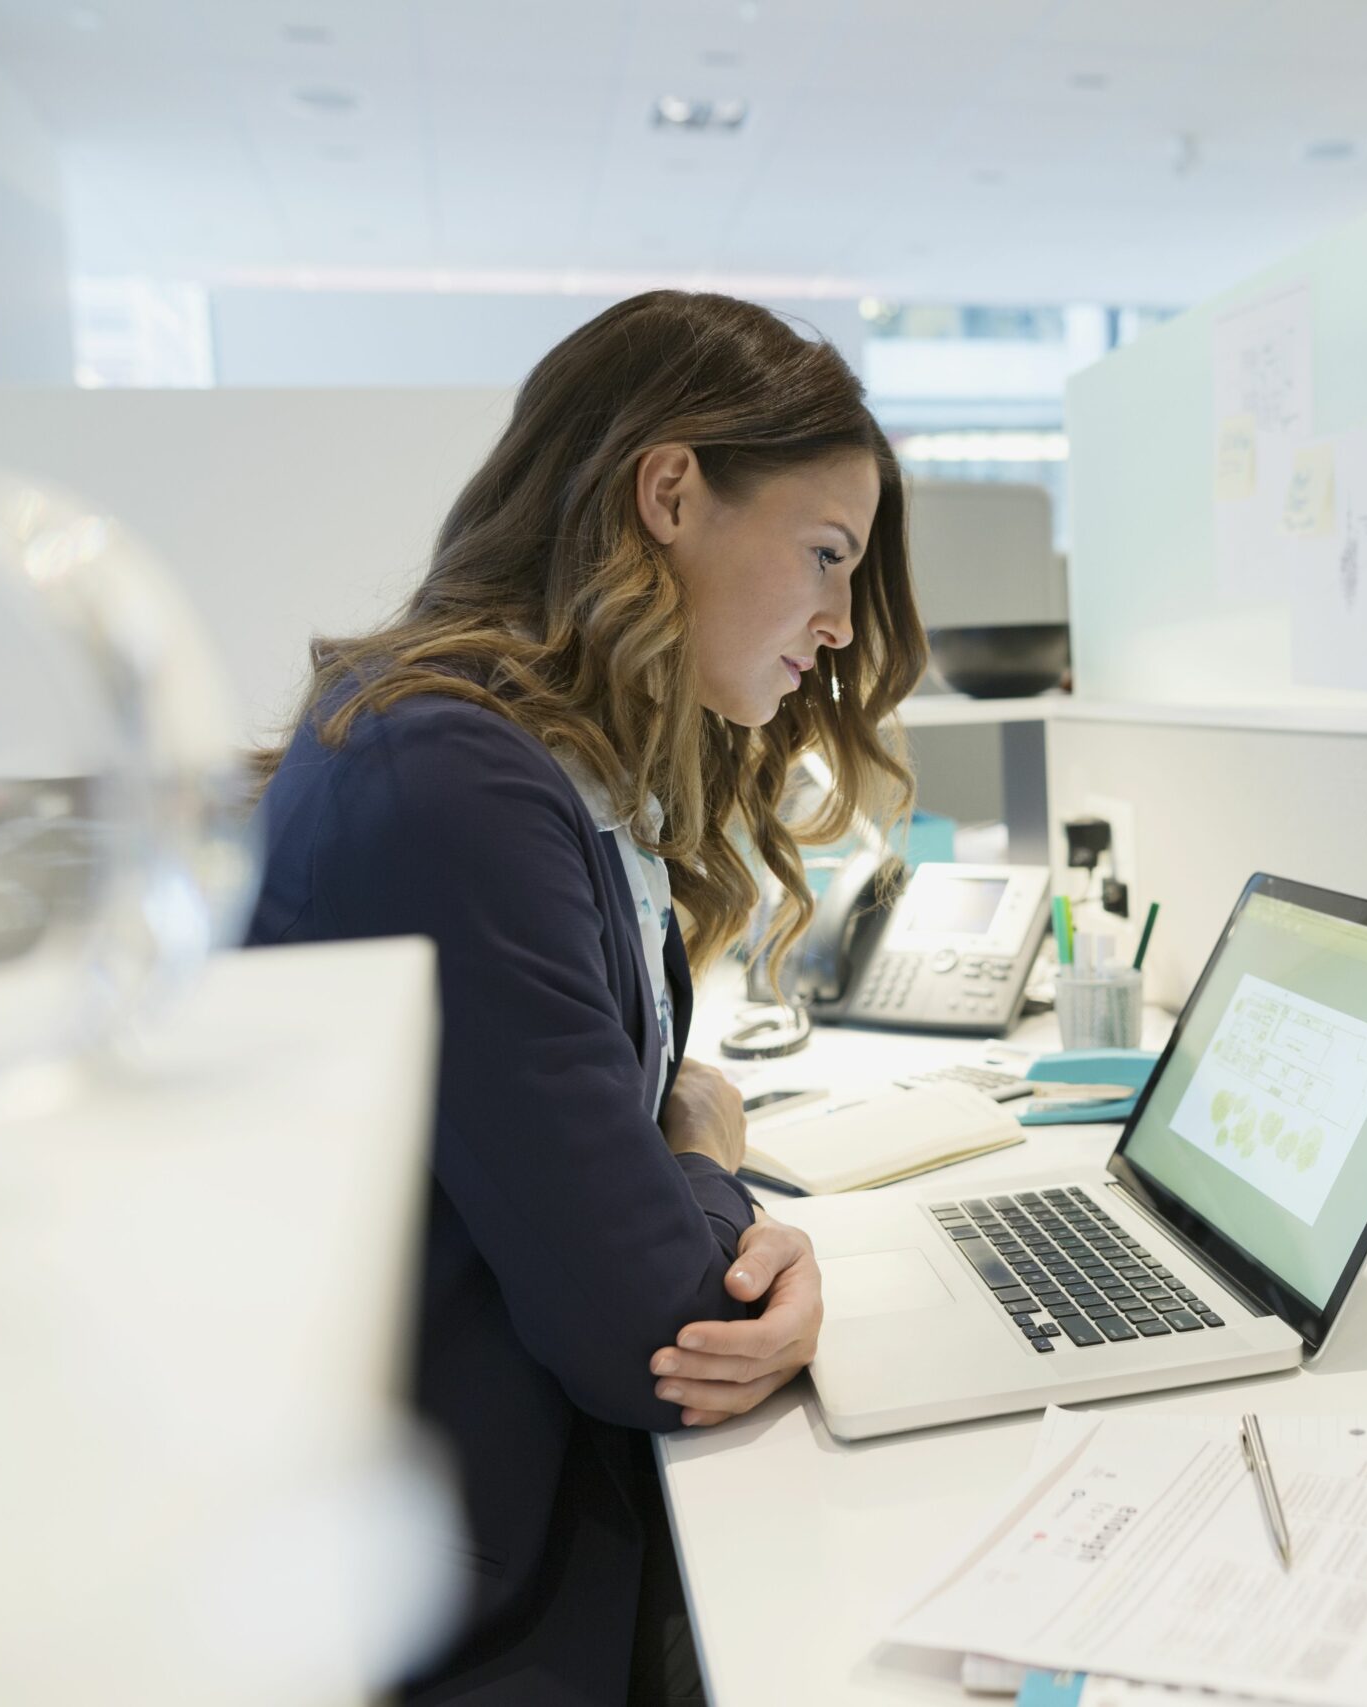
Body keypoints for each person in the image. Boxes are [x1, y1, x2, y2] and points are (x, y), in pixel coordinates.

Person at [246, 291, 927, 1704]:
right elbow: (664, 1333)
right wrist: (708, 1167)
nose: (838, 626)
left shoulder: (518, 759)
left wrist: (681, 1152)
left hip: (493, 1523)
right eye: (823, 554)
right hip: (470, 1605)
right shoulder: (450, 778)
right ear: (671, 491)